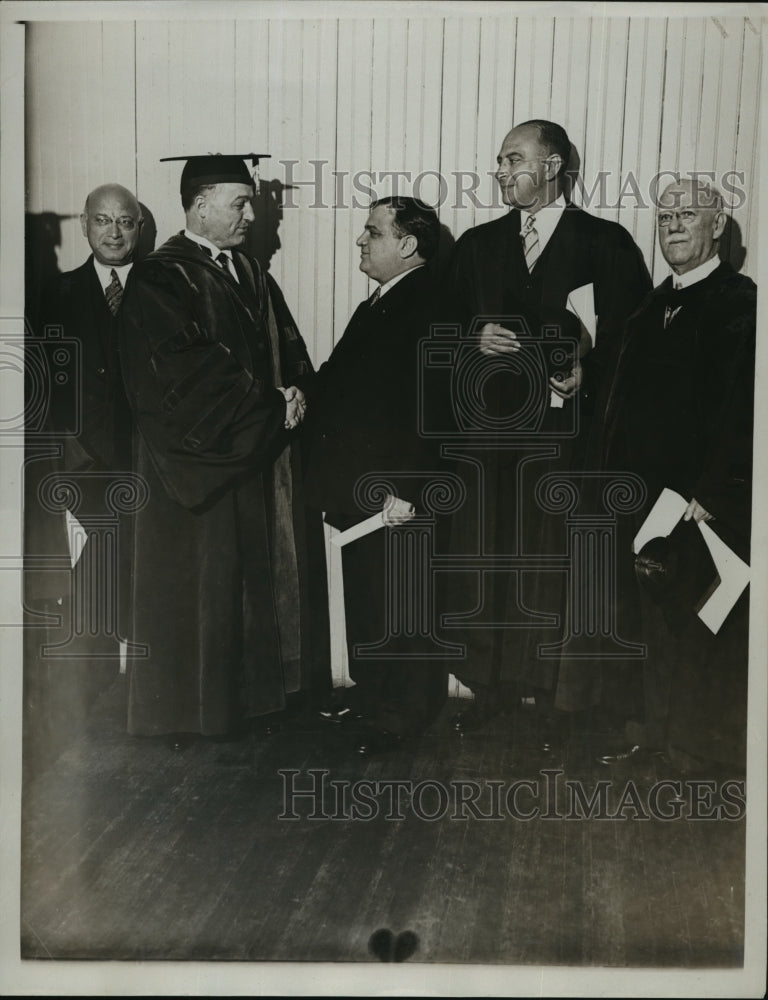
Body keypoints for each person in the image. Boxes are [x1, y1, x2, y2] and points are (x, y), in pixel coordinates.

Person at [445, 119, 652, 744]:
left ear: (555, 164)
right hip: (489, 441)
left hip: (567, 444)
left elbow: (634, 340)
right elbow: (436, 327)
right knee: (489, 558)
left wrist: (590, 373)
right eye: (500, 162)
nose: (502, 172)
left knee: (554, 563)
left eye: (514, 159)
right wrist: (470, 338)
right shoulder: (478, 246)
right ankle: (490, 687)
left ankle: (552, 701)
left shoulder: (605, 243)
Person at [118, 154, 330, 747]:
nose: (252, 212)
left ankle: (249, 703)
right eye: (240, 201)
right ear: (200, 204)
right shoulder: (161, 276)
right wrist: (267, 401)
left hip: (248, 452)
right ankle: (183, 715)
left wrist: (295, 393)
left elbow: (287, 344)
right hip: (190, 462)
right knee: (197, 582)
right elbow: (181, 370)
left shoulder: (251, 272)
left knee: (245, 581)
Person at [598, 178, 755, 773]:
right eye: (665, 217)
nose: (673, 226)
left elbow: (743, 408)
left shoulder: (740, 302)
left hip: (698, 500)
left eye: (688, 215)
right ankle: (655, 735)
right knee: (649, 616)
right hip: (641, 495)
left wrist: (711, 492)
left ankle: (695, 750)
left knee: (700, 618)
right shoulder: (650, 304)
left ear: (717, 227)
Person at [303, 197, 448, 755]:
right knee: (369, 597)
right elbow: (337, 378)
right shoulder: (381, 302)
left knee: (399, 602)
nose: (361, 241)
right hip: (360, 492)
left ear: (407, 244)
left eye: (372, 232)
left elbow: (433, 408)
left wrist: (408, 491)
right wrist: (294, 396)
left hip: (392, 495)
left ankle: (402, 715)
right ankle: (374, 697)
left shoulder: (429, 303)